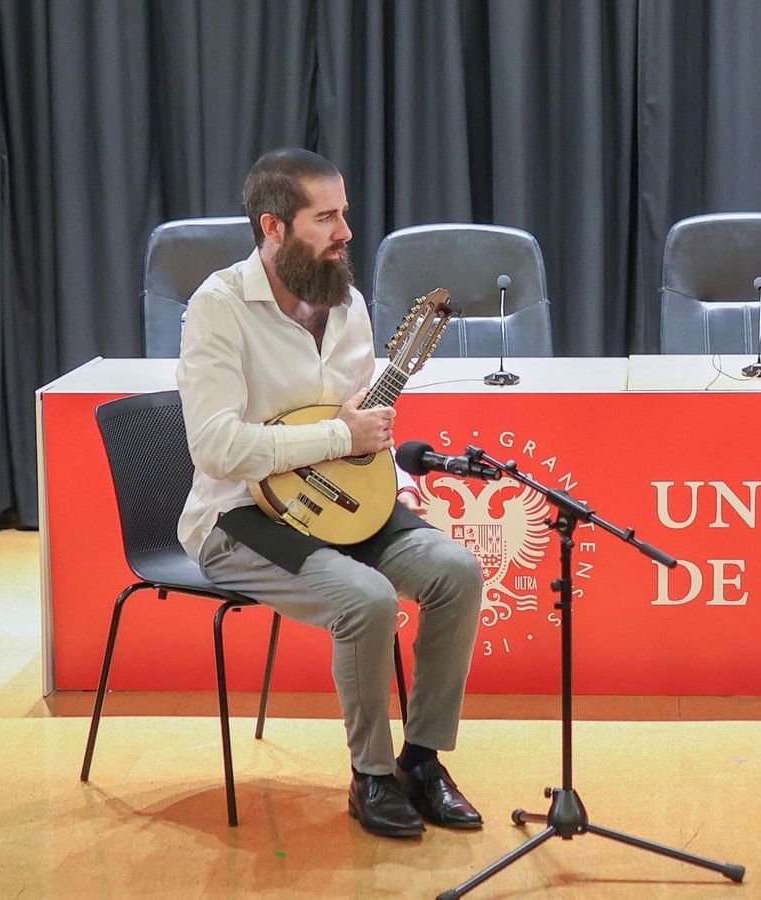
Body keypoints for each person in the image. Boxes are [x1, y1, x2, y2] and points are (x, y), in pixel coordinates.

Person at [177, 148, 484, 837]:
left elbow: (363, 417)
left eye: (344, 212)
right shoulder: (219, 308)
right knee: (368, 600)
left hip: (346, 501)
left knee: (456, 573)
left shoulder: (344, 303)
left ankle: (423, 762)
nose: (346, 230)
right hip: (237, 516)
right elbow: (217, 447)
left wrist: (397, 483)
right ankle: (370, 776)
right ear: (274, 227)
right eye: (327, 217)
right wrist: (338, 442)